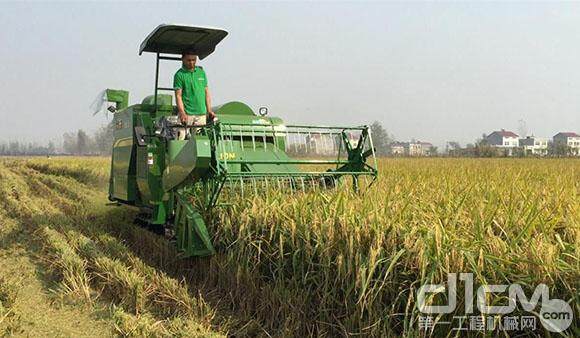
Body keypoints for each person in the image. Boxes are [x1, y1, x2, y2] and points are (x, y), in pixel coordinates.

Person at [173, 51, 216, 139]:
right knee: (179, 139)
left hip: (201, 113)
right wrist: (182, 112)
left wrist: (209, 110)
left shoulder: (201, 73)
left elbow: (206, 93)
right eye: (189, 60)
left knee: (199, 140)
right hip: (187, 114)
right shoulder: (179, 75)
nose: (192, 62)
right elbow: (178, 96)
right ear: (183, 59)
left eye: (194, 60)